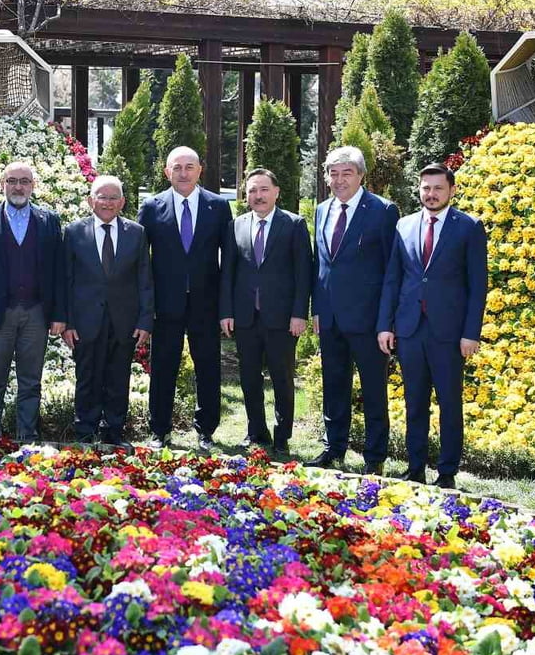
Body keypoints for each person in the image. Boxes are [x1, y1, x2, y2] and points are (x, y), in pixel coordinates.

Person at [377, 163, 488, 489]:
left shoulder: (468, 227)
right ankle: (415, 468)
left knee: (449, 404)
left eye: (438, 188)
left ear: (452, 190)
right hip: (409, 329)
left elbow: (478, 285)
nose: (431, 194)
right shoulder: (404, 225)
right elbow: (393, 279)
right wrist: (385, 325)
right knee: (415, 403)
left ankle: (447, 472)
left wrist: (471, 333)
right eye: (426, 188)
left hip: (449, 334)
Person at [311, 147, 401, 475]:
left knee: (373, 390)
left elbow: (392, 271)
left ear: (361, 175)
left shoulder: (383, 211)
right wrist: (317, 309)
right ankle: (333, 448)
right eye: (333, 173)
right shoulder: (322, 210)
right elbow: (320, 265)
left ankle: (374, 458)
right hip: (330, 318)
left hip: (368, 320)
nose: (339, 180)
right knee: (334, 386)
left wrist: (387, 321)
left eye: (346, 173)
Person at [137, 146, 231, 452]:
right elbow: (141, 261)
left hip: (206, 303)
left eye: (189, 167)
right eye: (176, 167)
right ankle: (159, 430)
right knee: (163, 366)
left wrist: (226, 306)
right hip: (166, 304)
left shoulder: (218, 207)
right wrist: (145, 306)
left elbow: (229, 260)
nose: (183, 173)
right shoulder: (151, 207)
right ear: (167, 172)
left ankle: (206, 431)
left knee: (208, 367)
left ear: (200, 170)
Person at [0, 161, 65, 442]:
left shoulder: (49, 220)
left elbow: (59, 271)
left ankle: (26, 438)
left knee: (31, 382)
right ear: (2, 185)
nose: (18, 187)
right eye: (12, 181)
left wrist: (59, 314)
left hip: (36, 313)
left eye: (24, 181)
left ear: (33, 186)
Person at [219, 169, 311, 456]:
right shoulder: (236, 225)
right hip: (245, 317)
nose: (258, 196)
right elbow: (228, 273)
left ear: (276, 192)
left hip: (282, 319)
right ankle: (256, 431)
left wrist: (299, 313)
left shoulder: (293, 224)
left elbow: (303, 273)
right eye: (252, 191)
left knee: (282, 379)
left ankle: (282, 436)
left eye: (263, 189)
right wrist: (227, 312)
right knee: (249, 378)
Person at [62, 175, 154, 446]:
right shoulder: (73, 232)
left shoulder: (136, 233)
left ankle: (114, 432)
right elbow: (65, 280)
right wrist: (67, 322)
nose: (108, 202)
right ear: (91, 200)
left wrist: (145, 321)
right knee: (87, 378)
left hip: (124, 321)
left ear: (122, 202)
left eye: (114, 197)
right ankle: (85, 432)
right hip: (85, 321)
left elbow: (145, 280)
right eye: (102, 197)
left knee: (118, 378)